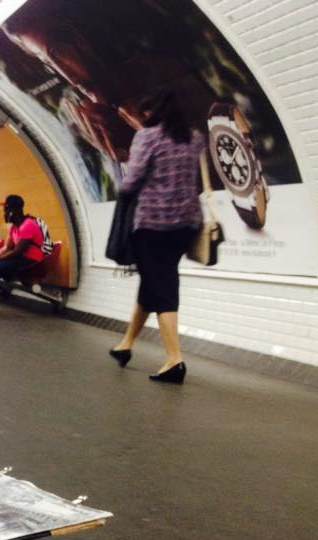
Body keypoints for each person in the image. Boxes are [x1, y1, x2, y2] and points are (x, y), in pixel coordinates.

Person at [109, 92, 205, 385]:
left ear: (152, 113)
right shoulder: (195, 137)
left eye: (145, 112)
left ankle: (175, 360)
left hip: (152, 224)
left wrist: (125, 187)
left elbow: (132, 180)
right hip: (186, 223)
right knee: (154, 281)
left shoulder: (147, 137)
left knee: (162, 287)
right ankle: (126, 345)